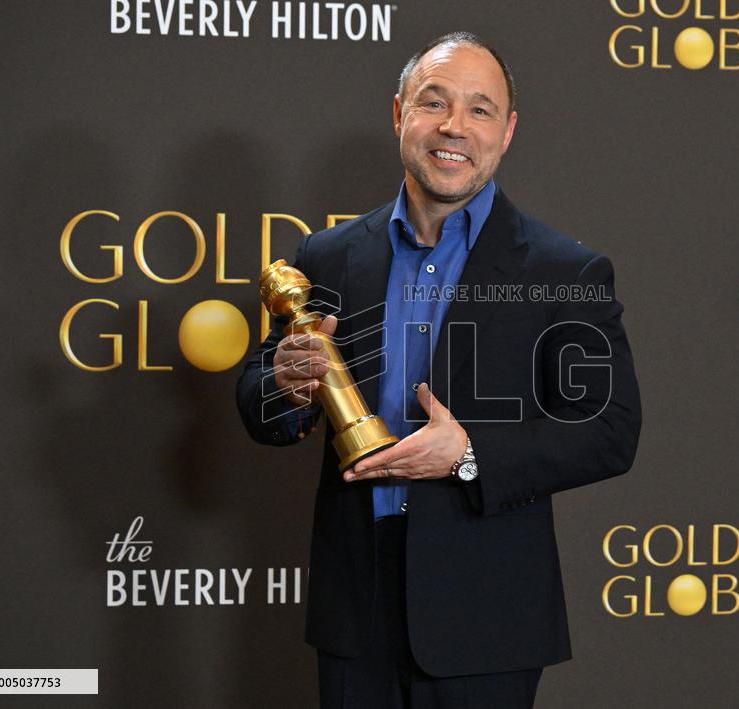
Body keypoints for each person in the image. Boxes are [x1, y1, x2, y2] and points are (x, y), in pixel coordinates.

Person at [237, 31, 642, 709]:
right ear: (400, 115)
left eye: (481, 110)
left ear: (507, 133)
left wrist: (469, 453)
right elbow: (258, 404)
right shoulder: (328, 256)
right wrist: (282, 381)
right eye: (435, 102)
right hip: (354, 612)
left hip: (485, 621)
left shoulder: (561, 271)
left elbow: (610, 429)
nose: (456, 126)